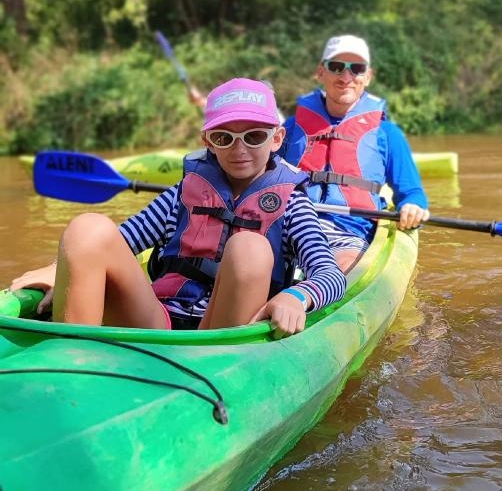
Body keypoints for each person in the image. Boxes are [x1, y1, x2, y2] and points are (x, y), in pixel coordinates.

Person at [10, 79, 346, 337]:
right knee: (87, 229)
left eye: (254, 136)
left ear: (276, 139)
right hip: (160, 321)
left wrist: (298, 297)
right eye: (224, 137)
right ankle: (74, 361)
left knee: (251, 248)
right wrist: (59, 268)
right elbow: (119, 241)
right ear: (208, 142)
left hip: (223, 338)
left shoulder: (293, 205)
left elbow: (330, 275)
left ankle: (219, 378)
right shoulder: (183, 193)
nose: (239, 149)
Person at [280, 34, 429, 272]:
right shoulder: (290, 128)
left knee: (337, 269)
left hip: (348, 232)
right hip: (288, 226)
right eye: (337, 67)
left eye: (357, 69)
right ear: (321, 72)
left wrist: (412, 207)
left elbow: (412, 193)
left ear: (367, 77)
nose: (346, 77)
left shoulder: (387, 134)